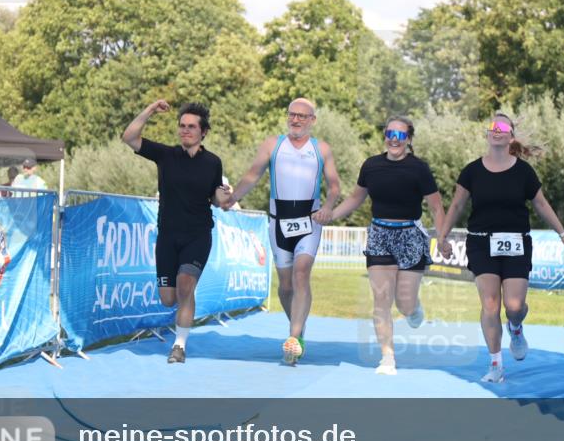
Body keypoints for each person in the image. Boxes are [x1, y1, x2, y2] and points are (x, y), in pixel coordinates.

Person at [437, 113, 564, 383]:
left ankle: (516, 326)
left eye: (502, 126)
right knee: (490, 305)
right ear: (487, 134)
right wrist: (442, 236)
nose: (496, 129)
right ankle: (496, 365)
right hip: (481, 243)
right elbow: (456, 205)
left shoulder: (524, 171)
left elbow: (541, 204)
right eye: (492, 126)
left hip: (516, 243)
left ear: (511, 136)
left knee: (514, 306)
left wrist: (563, 234)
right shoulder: (471, 171)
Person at [219, 98, 340, 365]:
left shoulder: (321, 149)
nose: (295, 120)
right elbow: (253, 175)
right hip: (279, 221)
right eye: (291, 114)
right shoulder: (273, 144)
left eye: (302, 116)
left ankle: (294, 338)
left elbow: (334, 186)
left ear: (312, 120)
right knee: (285, 286)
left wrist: (328, 207)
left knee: (301, 273)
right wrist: (233, 197)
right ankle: (298, 326)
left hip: (309, 221)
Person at [328, 117, 446, 375]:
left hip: (410, 236)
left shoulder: (419, 168)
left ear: (409, 139)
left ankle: (414, 308)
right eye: (389, 133)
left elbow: (436, 207)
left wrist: (442, 237)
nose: (394, 138)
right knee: (381, 298)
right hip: (380, 235)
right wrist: (331, 215)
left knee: (404, 304)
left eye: (401, 135)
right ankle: (387, 357)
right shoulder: (371, 165)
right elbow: (355, 198)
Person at [122, 99, 224, 364]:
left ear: (203, 132)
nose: (185, 130)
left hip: (198, 235)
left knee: (185, 284)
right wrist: (149, 110)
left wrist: (223, 197)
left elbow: (215, 198)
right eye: (182, 126)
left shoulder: (213, 162)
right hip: (167, 236)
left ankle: (179, 346)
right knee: (168, 299)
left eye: (191, 126)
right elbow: (129, 137)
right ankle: (184, 309)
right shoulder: (165, 155)